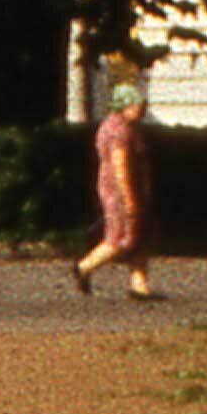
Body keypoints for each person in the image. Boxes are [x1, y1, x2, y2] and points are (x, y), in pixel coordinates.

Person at [72, 76, 155, 301]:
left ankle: (140, 285)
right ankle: (85, 266)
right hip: (121, 189)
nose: (141, 109)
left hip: (127, 187)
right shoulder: (120, 130)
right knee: (121, 237)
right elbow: (121, 167)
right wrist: (129, 198)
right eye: (137, 105)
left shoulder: (122, 126)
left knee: (139, 235)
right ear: (124, 105)